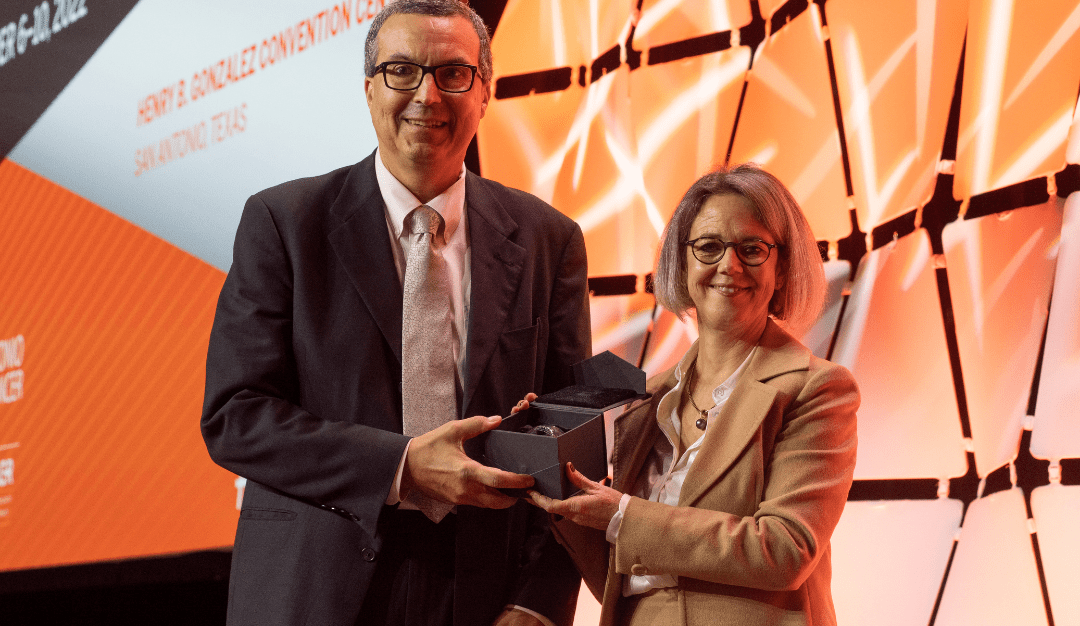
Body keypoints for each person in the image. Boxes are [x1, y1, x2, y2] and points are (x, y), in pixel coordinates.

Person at [200, 1, 590, 625]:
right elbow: (236, 415)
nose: (427, 96)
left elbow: (576, 442)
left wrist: (539, 603)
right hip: (314, 589)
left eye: (453, 74)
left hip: (488, 595)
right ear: (368, 89)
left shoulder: (549, 239)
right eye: (401, 71)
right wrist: (402, 467)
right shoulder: (285, 223)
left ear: (485, 92)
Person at [529, 164, 859, 625]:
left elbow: (786, 549)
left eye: (752, 249)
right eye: (708, 247)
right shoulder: (646, 400)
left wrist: (623, 514)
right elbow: (617, 573)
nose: (729, 265)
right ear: (681, 265)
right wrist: (554, 486)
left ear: (782, 269)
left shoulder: (817, 389)